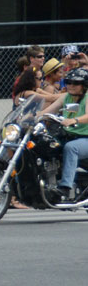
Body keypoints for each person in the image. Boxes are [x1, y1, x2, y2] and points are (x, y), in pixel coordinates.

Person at [41, 67, 88, 201]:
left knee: (71, 148)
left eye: (76, 83)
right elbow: (48, 111)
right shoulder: (66, 97)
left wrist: (74, 120)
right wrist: (29, 117)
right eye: (68, 82)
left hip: (84, 138)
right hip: (67, 136)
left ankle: (65, 188)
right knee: (44, 143)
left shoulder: (87, 97)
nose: (71, 85)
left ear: (84, 85)